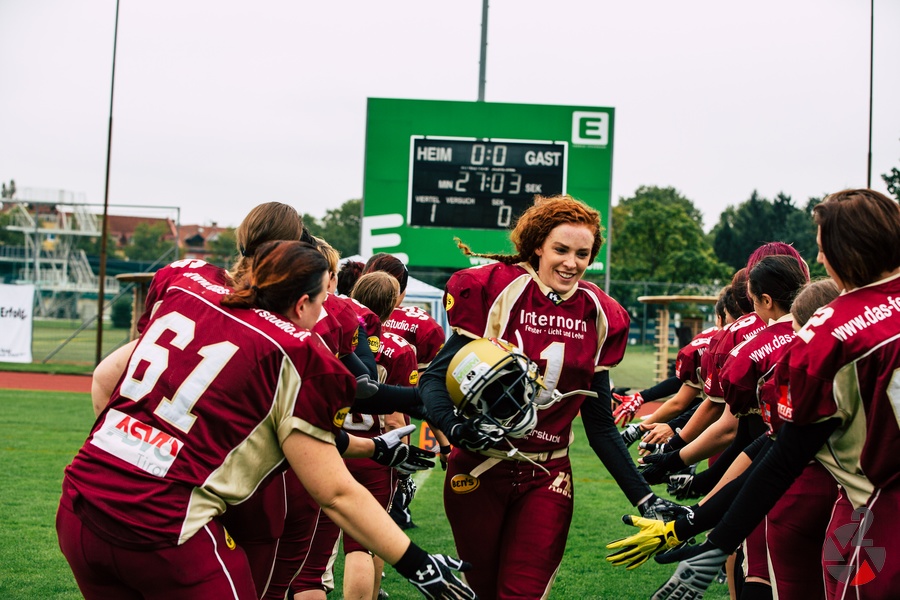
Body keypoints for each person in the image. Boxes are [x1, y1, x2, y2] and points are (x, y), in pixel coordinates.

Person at [57, 240, 475, 599]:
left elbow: (106, 377)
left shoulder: (189, 289)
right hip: (165, 529)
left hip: (79, 505)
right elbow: (336, 492)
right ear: (302, 303)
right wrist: (416, 562)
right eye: (322, 301)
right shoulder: (294, 354)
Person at [419, 194, 686, 600]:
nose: (571, 263)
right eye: (561, 249)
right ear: (537, 246)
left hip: (547, 473)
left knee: (522, 593)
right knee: (481, 591)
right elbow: (434, 379)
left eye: (582, 254)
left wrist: (645, 498)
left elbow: (600, 426)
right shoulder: (496, 289)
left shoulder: (599, 312)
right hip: (479, 466)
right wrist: (455, 429)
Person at [649, 189, 900, 600]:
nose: (820, 259)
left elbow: (781, 455)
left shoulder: (829, 332)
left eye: (823, 249)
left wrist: (717, 537)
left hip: (877, 509)